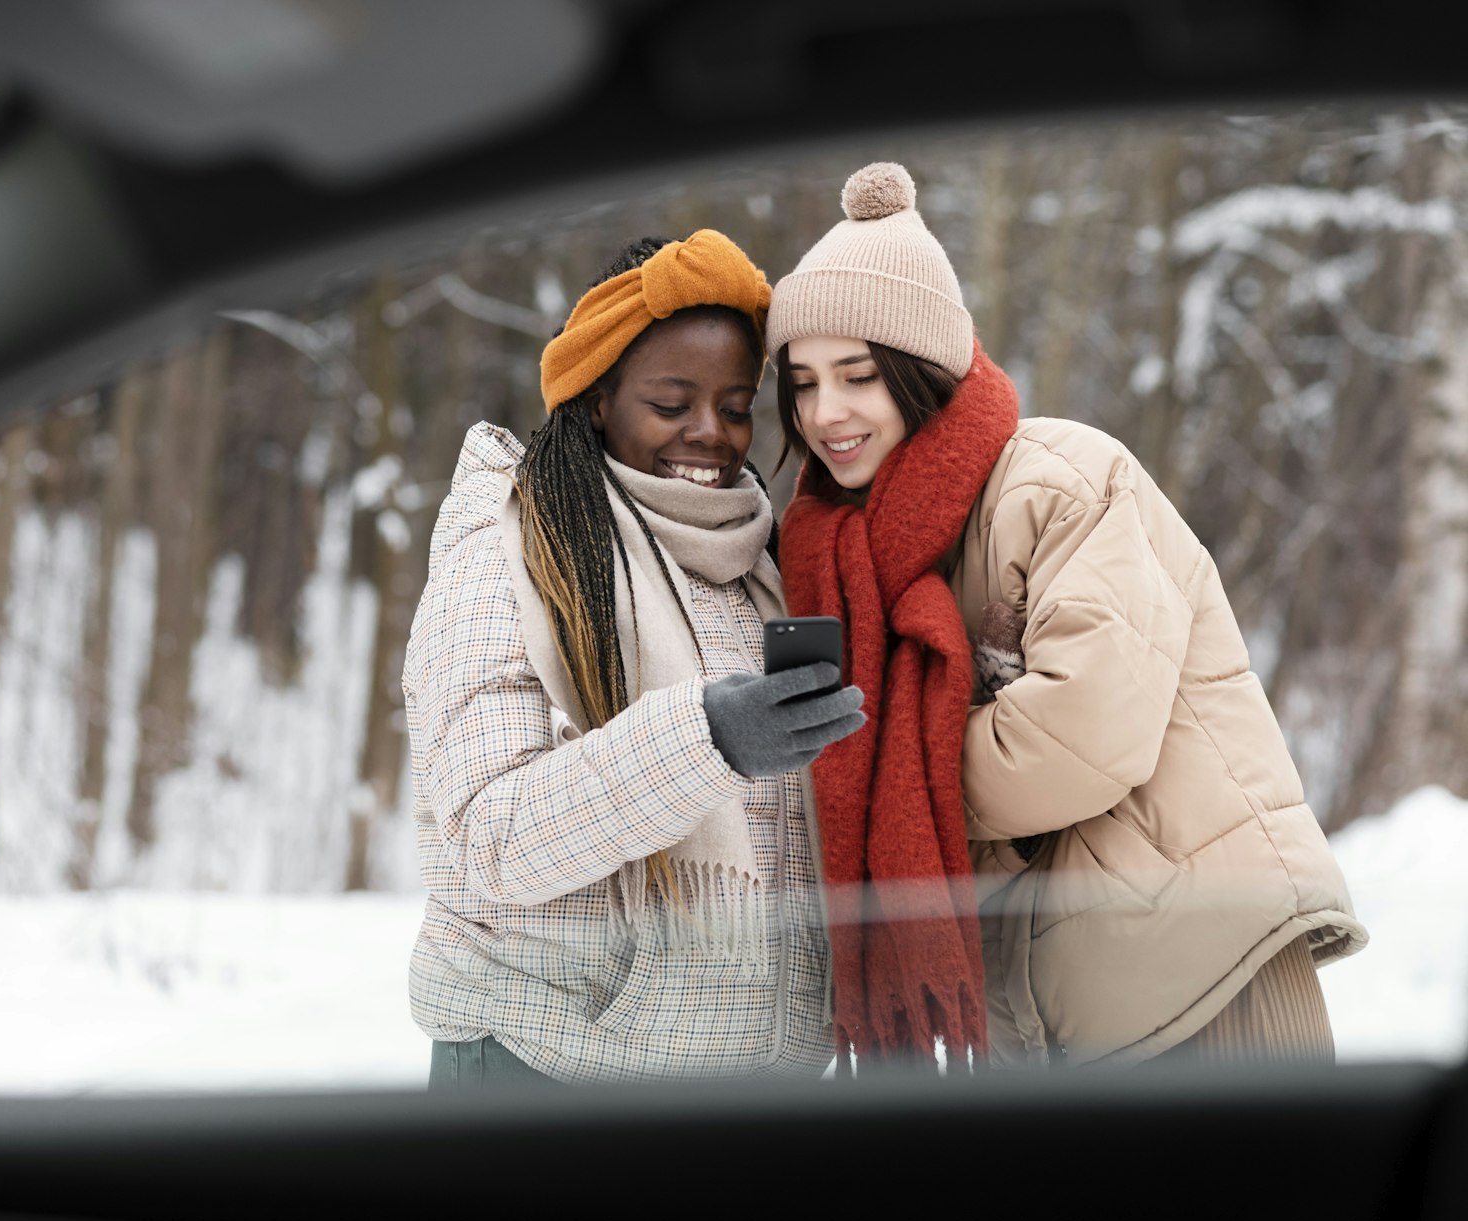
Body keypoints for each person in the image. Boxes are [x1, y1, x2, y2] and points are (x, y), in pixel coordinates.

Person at [767, 162, 1367, 1069]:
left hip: (1203, 975)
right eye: (803, 383)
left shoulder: (1057, 480)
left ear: (922, 372)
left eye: (857, 376)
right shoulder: (840, 554)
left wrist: (888, 756)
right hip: (1055, 1025)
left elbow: (1086, 733)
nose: (827, 412)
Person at [405, 230, 867, 1085]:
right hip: (546, 1080)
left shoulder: (765, 564)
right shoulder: (510, 557)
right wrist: (707, 741)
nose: (711, 434)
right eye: (671, 402)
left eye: (735, 406)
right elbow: (493, 839)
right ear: (593, 399)